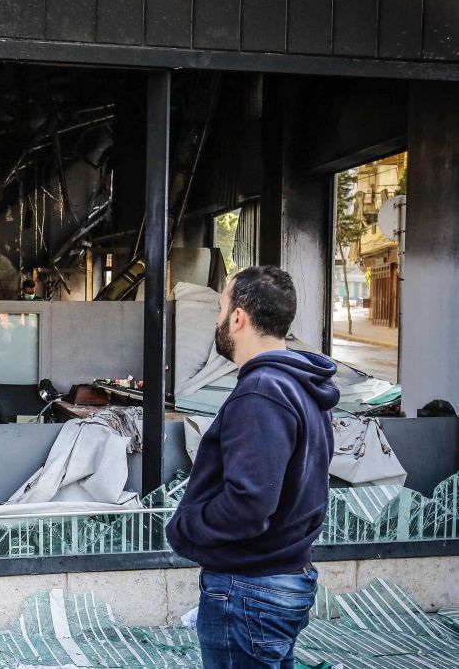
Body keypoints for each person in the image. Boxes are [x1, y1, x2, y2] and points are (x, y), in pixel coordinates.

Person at [166, 266, 338, 669]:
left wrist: (186, 526)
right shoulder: (296, 387)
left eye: (221, 307)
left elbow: (249, 504)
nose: (216, 318)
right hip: (279, 581)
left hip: (250, 590)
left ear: (239, 317)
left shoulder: (262, 393)